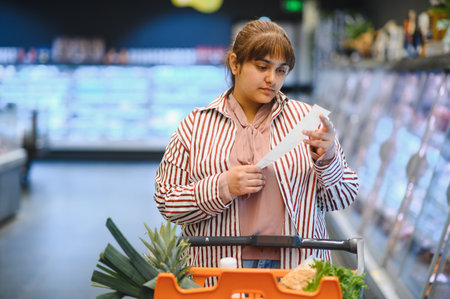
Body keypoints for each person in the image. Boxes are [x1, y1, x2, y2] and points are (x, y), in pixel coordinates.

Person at [154, 19, 359, 270]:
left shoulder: (309, 122)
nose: (271, 79)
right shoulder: (195, 126)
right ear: (235, 63)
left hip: (296, 270)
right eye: (262, 67)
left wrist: (328, 159)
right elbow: (167, 202)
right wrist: (223, 186)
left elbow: (342, 198)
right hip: (218, 269)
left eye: (281, 70)